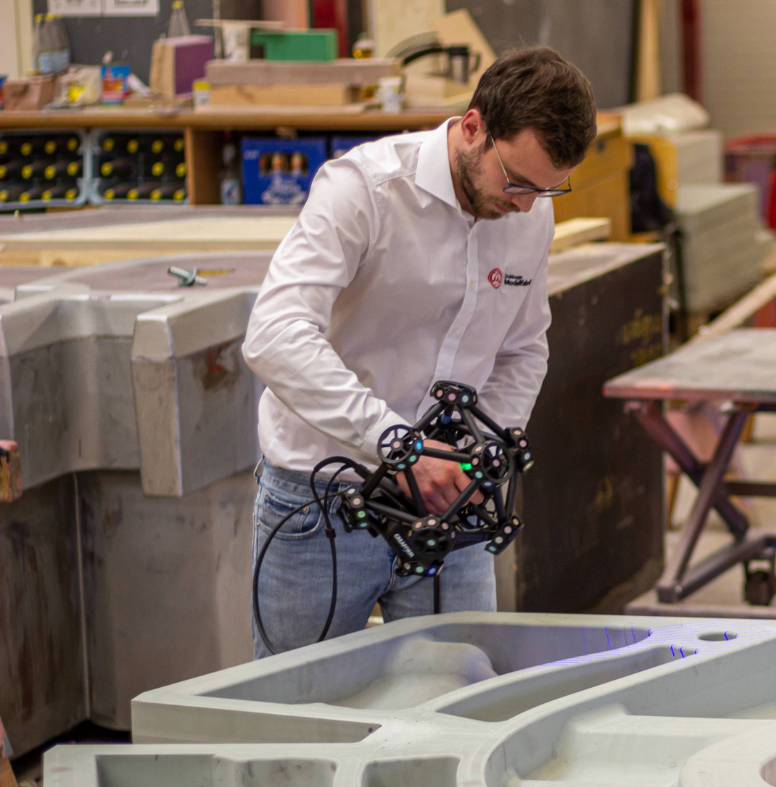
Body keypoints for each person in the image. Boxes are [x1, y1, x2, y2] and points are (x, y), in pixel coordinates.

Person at [242, 47, 596, 657]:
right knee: (297, 718)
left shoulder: (528, 214)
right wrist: (395, 444)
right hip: (323, 498)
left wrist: (484, 454)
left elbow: (522, 349)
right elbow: (274, 332)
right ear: (473, 126)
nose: (527, 205)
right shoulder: (365, 191)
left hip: (447, 504)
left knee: (457, 706)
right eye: (516, 181)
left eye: (548, 189)